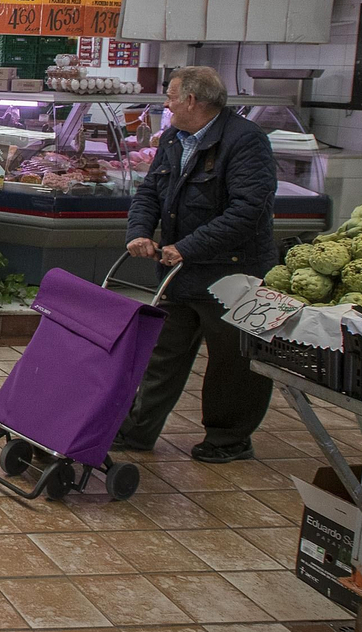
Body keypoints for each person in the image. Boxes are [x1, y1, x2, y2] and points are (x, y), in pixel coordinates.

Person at [114, 66, 277, 464]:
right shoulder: (174, 138)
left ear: (191, 100)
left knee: (232, 362)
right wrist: (139, 231)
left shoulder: (245, 142)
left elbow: (247, 212)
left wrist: (187, 246)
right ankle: (137, 430)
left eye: (170, 97)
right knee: (161, 352)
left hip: (232, 273)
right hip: (178, 271)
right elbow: (150, 191)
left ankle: (228, 439)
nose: (165, 105)